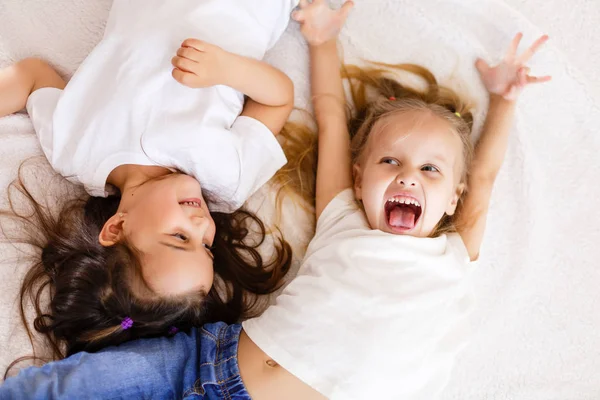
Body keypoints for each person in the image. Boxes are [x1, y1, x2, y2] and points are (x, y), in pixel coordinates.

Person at [0, 0, 552, 398]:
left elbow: (482, 177)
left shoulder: (458, 248)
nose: (408, 178)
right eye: (390, 162)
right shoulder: (344, 216)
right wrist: (322, 40)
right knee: (56, 391)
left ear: (452, 199)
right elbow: (330, 113)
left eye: (431, 170)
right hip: (204, 358)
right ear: (359, 178)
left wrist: (505, 103)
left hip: (220, 365)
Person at [0, 0, 298, 367]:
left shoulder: (75, 152)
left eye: (179, 238)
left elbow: (32, 77)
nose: (204, 225)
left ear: (117, 227)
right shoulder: (225, 179)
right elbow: (279, 100)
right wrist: (229, 69)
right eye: (206, 246)